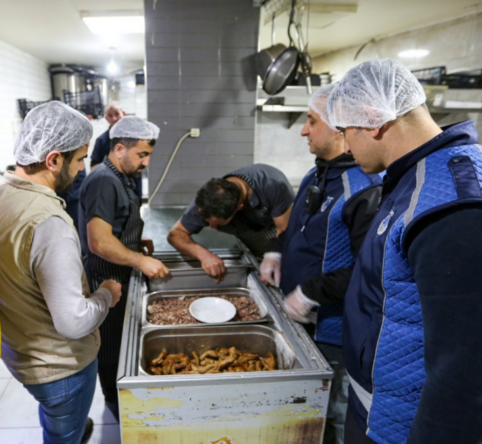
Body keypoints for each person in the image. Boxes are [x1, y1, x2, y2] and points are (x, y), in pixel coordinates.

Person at [326, 59, 482, 444]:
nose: (344, 145)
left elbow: (470, 380)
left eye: (345, 131)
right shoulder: (417, 181)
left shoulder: (465, 211)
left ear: (372, 121)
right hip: (382, 415)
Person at [0, 101, 121, 444]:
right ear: (53, 160)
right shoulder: (49, 223)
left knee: (55, 413)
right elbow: (73, 322)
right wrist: (106, 294)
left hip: (15, 349)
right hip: (60, 367)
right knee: (63, 431)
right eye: (79, 159)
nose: (81, 169)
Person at [260, 84, 382, 444]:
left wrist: (312, 291)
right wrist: (276, 250)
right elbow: (298, 228)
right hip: (302, 322)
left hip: (335, 330)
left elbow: (371, 269)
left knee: (335, 412)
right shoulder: (317, 175)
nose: (303, 130)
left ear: (340, 128)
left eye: (312, 121)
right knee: (307, 409)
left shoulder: (366, 189)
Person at [78, 116, 169, 419]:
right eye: (142, 154)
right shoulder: (104, 180)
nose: (146, 162)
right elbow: (99, 242)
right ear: (119, 149)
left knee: (123, 343)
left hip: (121, 272)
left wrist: (134, 240)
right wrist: (141, 260)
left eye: (148, 155)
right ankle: (116, 404)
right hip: (107, 278)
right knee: (111, 349)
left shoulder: (121, 177)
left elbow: (113, 225)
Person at [166, 164, 294, 280]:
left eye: (218, 224)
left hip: (274, 232)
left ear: (238, 208)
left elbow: (285, 231)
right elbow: (175, 234)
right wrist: (204, 255)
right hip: (248, 240)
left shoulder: (273, 184)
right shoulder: (207, 200)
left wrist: (275, 259)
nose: (211, 227)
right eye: (207, 222)